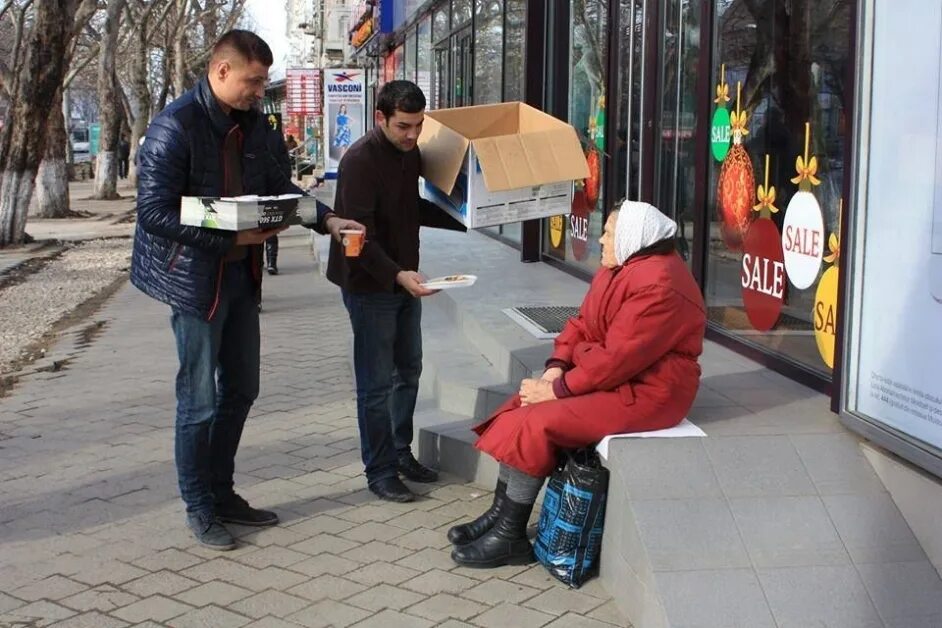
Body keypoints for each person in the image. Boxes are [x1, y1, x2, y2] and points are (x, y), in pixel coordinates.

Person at [130, 30, 363, 551]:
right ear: (221, 72)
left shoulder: (258, 126)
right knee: (199, 401)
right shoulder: (175, 127)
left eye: (263, 82)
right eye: (253, 81)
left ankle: (222, 492)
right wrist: (231, 235)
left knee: (242, 389)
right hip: (195, 283)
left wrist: (327, 220)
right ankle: (199, 506)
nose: (260, 92)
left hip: (242, 276)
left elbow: (284, 188)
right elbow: (152, 213)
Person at [448, 201, 707, 568]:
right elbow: (582, 323)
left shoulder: (660, 285)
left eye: (609, 232)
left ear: (634, 238)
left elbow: (618, 358)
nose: (600, 238)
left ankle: (510, 535)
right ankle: (500, 515)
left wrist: (555, 390)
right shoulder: (622, 266)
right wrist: (556, 367)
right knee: (522, 405)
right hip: (620, 378)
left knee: (538, 421)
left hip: (652, 393)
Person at [326, 80, 466, 503]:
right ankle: (380, 470)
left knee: (409, 369)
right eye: (403, 126)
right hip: (369, 285)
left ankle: (400, 451)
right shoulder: (359, 162)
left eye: (418, 126)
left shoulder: (411, 154)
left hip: (405, 279)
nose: (412, 135)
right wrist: (397, 276)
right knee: (376, 383)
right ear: (380, 118)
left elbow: (413, 209)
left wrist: (464, 216)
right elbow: (356, 239)